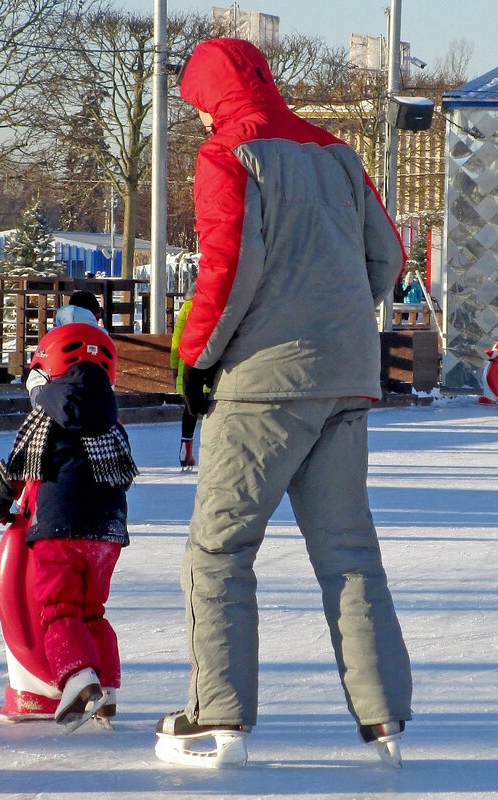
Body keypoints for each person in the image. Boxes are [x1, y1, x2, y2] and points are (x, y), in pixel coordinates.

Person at [154, 38, 412, 769]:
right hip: (346, 376)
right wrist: (336, 320)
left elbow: (230, 267)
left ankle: (219, 717)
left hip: (263, 386)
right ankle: (385, 717)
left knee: (220, 549)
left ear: (210, 99)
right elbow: (387, 255)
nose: (200, 121)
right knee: (350, 553)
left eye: (199, 107)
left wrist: (197, 360)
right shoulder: (335, 154)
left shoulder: (228, 155)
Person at [0, 323, 137, 733]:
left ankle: (77, 681)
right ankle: (108, 688)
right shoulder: (114, 424)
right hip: (107, 535)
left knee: (59, 609)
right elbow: (123, 474)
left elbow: (12, 474)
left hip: (59, 531)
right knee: (91, 612)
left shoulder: (42, 420)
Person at [170, 283, 198, 470]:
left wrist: (174, 367)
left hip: (188, 366)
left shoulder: (187, 307)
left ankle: (184, 450)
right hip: (210, 367)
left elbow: (176, 339)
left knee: (190, 409)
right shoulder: (217, 305)